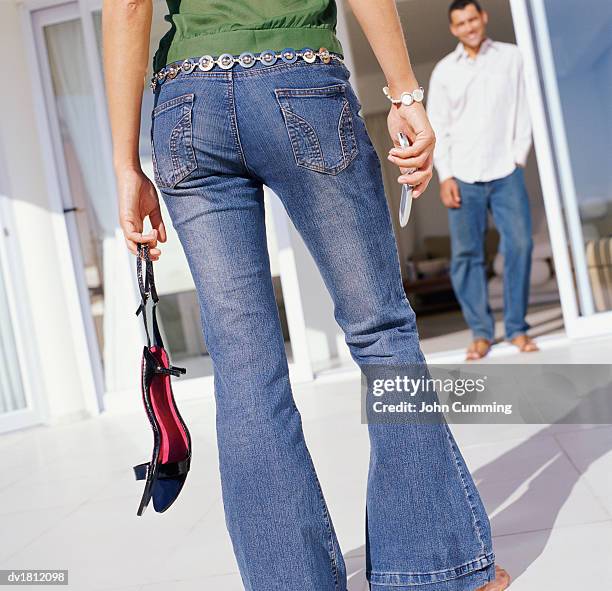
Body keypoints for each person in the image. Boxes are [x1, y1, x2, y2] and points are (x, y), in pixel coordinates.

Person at [102, 0, 509, 589]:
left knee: (243, 369)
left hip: (186, 103)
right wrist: (404, 94)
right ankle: (434, 570)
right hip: (297, 79)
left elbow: (127, 5)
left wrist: (124, 166)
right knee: (380, 331)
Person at [427, 0, 539, 361]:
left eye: (473, 19)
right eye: (460, 23)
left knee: (520, 244)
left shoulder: (512, 57)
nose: (469, 27)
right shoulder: (444, 71)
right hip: (463, 174)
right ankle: (481, 334)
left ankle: (518, 329)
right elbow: (438, 128)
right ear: (453, 29)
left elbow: (526, 108)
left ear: (483, 18)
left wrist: (518, 157)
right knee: (466, 256)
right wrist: (446, 175)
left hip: (505, 171)